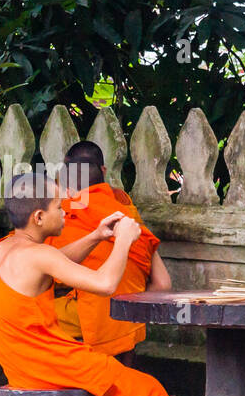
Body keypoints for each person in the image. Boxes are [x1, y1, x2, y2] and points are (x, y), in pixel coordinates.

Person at [0, 171, 235, 396]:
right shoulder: (38, 255)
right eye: (60, 207)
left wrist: (97, 236)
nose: (66, 213)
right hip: (46, 361)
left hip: (25, 360)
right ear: (39, 217)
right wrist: (125, 240)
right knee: (149, 391)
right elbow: (104, 284)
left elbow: (56, 263)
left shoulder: (7, 247)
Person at [52, 140, 171, 358]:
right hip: (129, 318)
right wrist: (130, 312)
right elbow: (163, 284)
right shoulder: (125, 210)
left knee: (24, 314)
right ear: (103, 171)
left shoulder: (64, 213)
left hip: (89, 319)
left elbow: (50, 275)